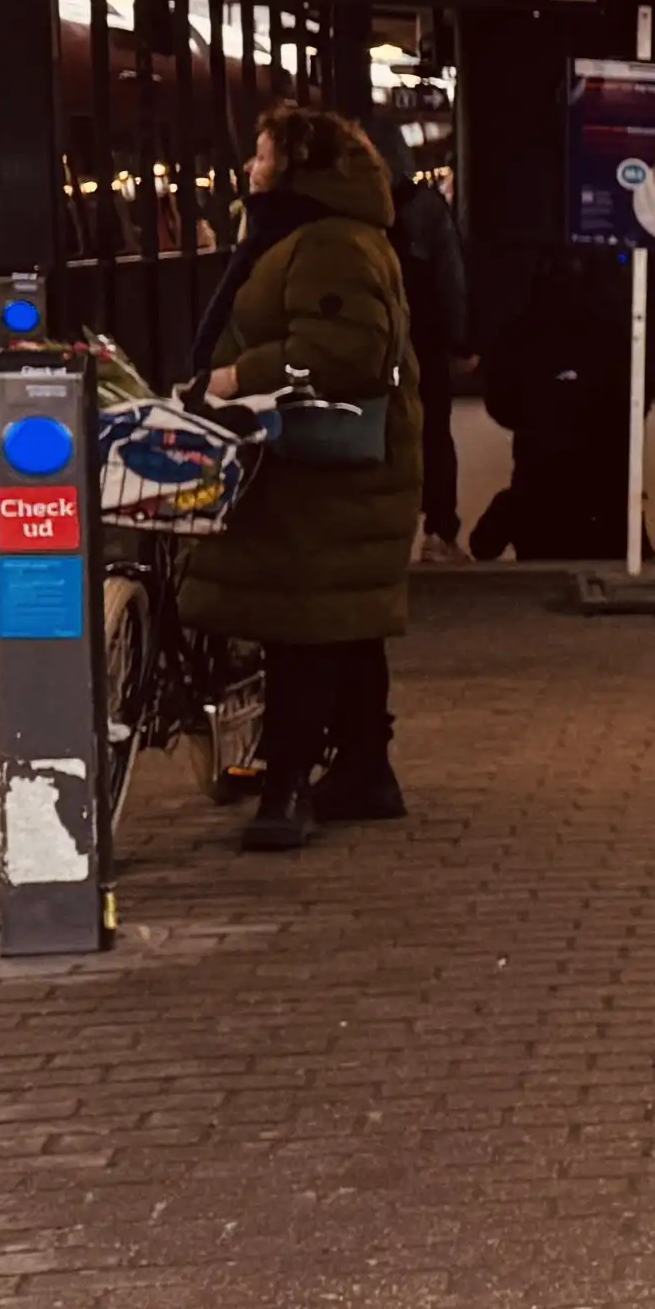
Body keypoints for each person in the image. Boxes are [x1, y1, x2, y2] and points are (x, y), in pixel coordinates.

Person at [187, 98, 425, 848]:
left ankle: (286, 788)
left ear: (298, 165)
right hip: (330, 471)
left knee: (300, 625)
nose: (251, 167)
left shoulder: (326, 242)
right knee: (342, 622)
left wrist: (232, 378)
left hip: (323, 471)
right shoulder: (312, 235)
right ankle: (363, 770)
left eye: (262, 154)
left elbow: (342, 350)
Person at [396, 147, 472, 553]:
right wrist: (460, 341)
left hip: (377, 343)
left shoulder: (346, 213)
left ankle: (391, 531)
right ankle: (439, 530)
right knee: (435, 433)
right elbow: (451, 280)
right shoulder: (428, 209)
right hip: (424, 341)